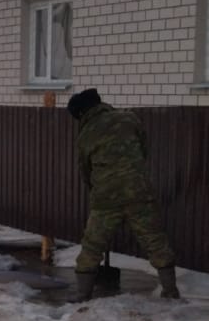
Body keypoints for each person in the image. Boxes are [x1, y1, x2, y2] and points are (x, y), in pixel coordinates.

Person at [67, 88, 179, 302]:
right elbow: (143, 151)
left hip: (106, 198)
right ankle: (170, 291)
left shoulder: (87, 133)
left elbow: (85, 170)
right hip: (139, 192)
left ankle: (82, 295)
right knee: (155, 241)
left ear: (82, 113)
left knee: (92, 245)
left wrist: (98, 189)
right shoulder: (129, 119)